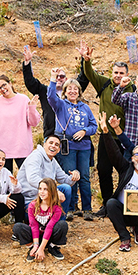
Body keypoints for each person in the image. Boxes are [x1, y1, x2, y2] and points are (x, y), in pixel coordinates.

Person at [76, 40, 133, 217]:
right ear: (112, 73)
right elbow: (89, 73)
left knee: (126, 172)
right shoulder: (104, 84)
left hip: (125, 137)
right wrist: (86, 60)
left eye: (121, 73)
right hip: (106, 136)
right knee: (103, 170)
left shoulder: (132, 88)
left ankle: (122, 205)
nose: (118, 75)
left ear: (127, 74)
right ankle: (107, 205)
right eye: (115, 72)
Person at [97, 114, 138, 252]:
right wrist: (106, 131)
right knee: (110, 203)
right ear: (132, 158)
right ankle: (124, 237)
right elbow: (114, 152)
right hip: (123, 212)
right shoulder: (125, 168)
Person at [47, 67, 97, 221]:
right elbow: (50, 96)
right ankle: (69, 208)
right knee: (69, 177)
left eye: (76, 89)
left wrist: (84, 130)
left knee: (84, 177)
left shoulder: (85, 108)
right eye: (70, 88)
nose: (73, 91)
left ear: (79, 92)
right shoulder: (61, 105)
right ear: (65, 91)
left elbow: (94, 126)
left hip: (84, 147)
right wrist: (52, 79)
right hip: (67, 146)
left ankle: (87, 209)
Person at [0, 75, 41, 172]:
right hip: (2, 148)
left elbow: (34, 122)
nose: (2, 89)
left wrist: (32, 108)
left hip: (22, 146)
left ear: (10, 83)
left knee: (27, 179)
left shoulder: (24, 99)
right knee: (4, 181)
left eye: (4, 85)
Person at [17, 135, 79, 216]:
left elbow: (65, 180)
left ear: (58, 150)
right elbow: (32, 178)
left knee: (66, 188)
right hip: (31, 201)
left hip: (46, 199)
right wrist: (54, 191)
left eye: (56, 145)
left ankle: (58, 223)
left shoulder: (52, 161)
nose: (53, 146)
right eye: (51, 143)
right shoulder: (35, 156)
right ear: (44, 145)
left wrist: (74, 176)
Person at [12, 178, 69, 261]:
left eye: (45, 189)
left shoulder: (56, 208)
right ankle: (32, 248)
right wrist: (36, 246)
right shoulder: (33, 205)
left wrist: (42, 248)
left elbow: (50, 227)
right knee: (18, 227)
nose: (41, 192)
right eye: (40, 189)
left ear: (52, 191)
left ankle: (52, 247)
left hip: (49, 236)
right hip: (36, 236)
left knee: (63, 225)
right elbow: (33, 226)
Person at [22, 45, 67, 137]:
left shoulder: (72, 92)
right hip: (51, 134)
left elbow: (83, 80)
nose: (58, 78)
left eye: (61, 76)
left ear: (66, 79)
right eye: (56, 76)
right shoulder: (44, 91)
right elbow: (30, 83)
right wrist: (27, 63)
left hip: (69, 135)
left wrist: (84, 60)